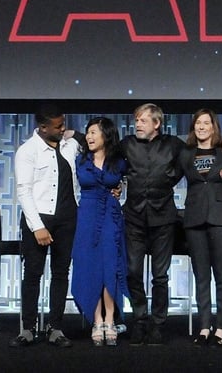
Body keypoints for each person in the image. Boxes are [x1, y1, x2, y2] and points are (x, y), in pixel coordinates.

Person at [9, 104, 80, 348]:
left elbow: (82, 139)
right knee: (33, 273)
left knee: (61, 273)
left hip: (67, 218)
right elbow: (24, 191)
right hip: (39, 218)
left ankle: (55, 327)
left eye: (64, 124)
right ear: (42, 128)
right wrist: (37, 226)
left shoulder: (69, 145)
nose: (63, 129)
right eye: (58, 126)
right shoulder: (28, 151)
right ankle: (28, 328)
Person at [120, 102, 187, 345]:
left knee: (160, 275)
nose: (137, 124)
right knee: (133, 271)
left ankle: (158, 324)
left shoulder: (174, 145)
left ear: (156, 124)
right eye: (136, 120)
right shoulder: (127, 144)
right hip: (134, 217)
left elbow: (196, 154)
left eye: (143, 120)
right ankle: (139, 320)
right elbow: (104, 151)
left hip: (163, 218)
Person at [176, 109, 222, 346]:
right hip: (193, 218)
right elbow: (169, 177)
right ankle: (204, 326)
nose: (201, 127)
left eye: (206, 123)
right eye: (198, 123)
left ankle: (221, 326)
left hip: (221, 217)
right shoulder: (185, 153)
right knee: (201, 275)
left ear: (214, 127)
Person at [71, 116, 130, 347]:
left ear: (106, 135)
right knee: (90, 266)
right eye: (88, 132)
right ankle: (96, 320)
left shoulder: (119, 162)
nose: (89, 136)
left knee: (110, 267)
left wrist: (122, 188)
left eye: (94, 132)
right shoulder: (80, 159)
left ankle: (109, 319)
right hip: (86, 215)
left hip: (111, 217)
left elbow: (133, 179)